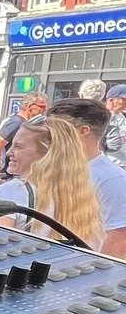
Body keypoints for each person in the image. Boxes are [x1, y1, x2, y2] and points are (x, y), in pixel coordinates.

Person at [0, 114, 103, 250]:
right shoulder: (82, 193)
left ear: (47, 153)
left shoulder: (15, 190)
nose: (9, 153)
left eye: (18, 146)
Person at [49, 97, 126, 257]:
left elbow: (118, 239)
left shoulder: (112, 179)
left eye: (57, 129)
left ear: (83, 131)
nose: (49, 135)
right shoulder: (49, 167)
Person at [0, 95, 46, 176]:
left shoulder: (22, 122)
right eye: (42, 107)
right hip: (9, 173)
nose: (45, 110)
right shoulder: (17, 123)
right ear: (29, 106)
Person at [105, 84, 126, 156]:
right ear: (111, 100)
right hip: (108, 160)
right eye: (124, 100)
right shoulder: (102, 116)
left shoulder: (122, 117)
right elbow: (113, 145)